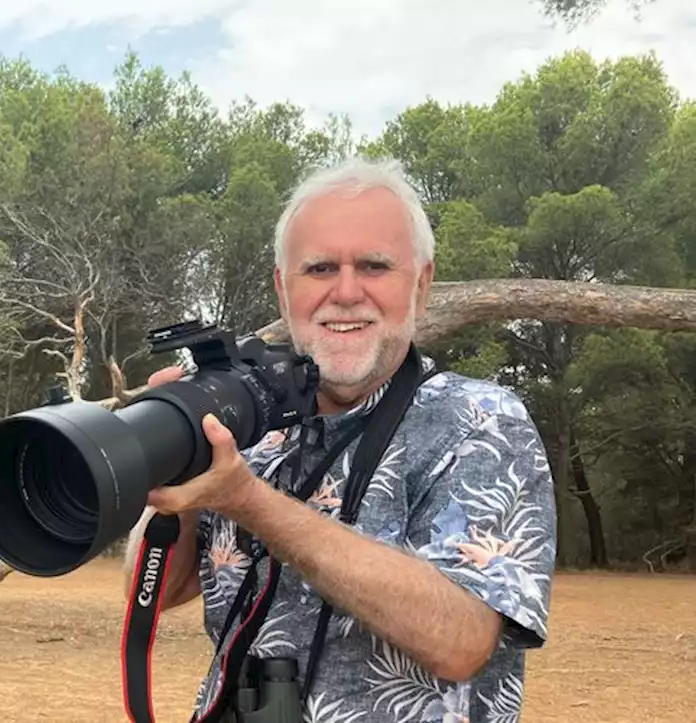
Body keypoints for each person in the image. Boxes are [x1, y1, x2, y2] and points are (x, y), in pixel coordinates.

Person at [123, 156, 557, 722]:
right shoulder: (249, 429)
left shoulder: (479, 421)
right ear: (284, 289)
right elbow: (161, 588)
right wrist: (176, 450)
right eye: (320, 268)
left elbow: (463, 640)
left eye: (375, 266)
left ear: (421, 286)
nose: (346, 292)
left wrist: (251, 502)